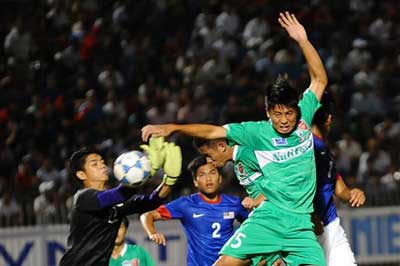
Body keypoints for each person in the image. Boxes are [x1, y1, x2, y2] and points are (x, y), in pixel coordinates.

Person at [141, 12, 327, 266]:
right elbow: (212, 132)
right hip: (268, 220)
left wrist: (303, 41)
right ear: (267, 113)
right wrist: (174, 127)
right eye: (277, 114)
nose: (284, 120)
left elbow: (319, 79)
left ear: (297, 111)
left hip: (300, 227)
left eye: (289, 113)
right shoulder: (255, 132)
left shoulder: (305, 117)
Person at [60, 137, 182, 266]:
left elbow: (151, 201)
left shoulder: (114, 204)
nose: (102, 165)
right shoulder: (83, 198)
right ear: (81, 175)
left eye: (102, 161)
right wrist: (147, 170)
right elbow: (118, 195)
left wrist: (169, 180)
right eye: (94, 164)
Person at [140, 155, 249, 266]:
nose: (208, 179)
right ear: (195, 182)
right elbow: (147, 216)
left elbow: (251, 224)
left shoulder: (234, 203)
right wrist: (152, 233)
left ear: (220, 178)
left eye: (212, 173)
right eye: (202, 175)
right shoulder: (186, 204)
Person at [312, 91, 365, 265]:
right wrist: (312, 218)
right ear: (329, 119)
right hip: (307, 231)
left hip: (331, 227)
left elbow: (340, 191)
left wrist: (354, 193)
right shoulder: (308, 147)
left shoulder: (325, 150)